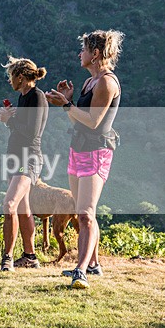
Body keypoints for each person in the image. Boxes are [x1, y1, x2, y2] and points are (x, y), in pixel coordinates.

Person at [46, 30, 124, 289]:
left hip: (96, 152)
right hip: (77, 149)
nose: (80, 54)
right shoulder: (89, 83)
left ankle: (80, 271)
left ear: (96, 54)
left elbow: (93, 121)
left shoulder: (106, 83)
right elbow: (78, 119)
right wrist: (68, 101)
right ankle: (93, 264)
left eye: (83, 50)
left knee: (86, 214)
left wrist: (66, 106)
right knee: (83, 213)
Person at [0, 57, 48, 272]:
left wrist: (8, 120)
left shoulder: (37, 97)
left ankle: (7, 258)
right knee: (23, 208)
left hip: (28, 159)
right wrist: (11, 120)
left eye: (11, 76)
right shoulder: (24, 96)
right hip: (16, 158)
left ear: (20, 76)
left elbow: (32, 132)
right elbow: (21, 129)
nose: (9, 80)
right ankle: (30, 256)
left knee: (9, 205)